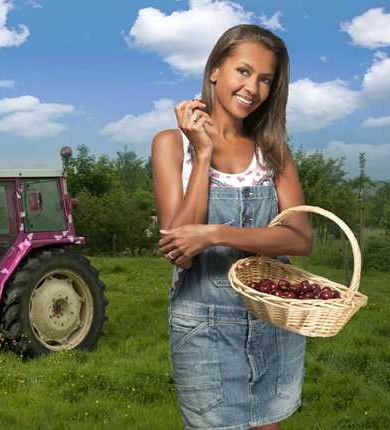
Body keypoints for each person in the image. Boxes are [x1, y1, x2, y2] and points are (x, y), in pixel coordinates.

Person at [152, 24, 313, 430]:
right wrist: (203, 153)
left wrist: (216, 233)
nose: (253, 88)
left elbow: (300, 237)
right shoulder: (173, 144)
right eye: (243, 71)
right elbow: (178, 249)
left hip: (273, 320)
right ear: (215, 70)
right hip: (204, 326)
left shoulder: (273, 152)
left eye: (265, 79)